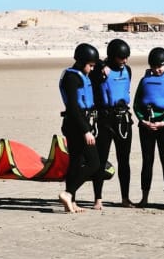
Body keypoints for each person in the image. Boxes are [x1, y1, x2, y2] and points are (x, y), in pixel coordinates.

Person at [133, 47, 164, 207]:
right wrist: (142, 120)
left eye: (160, 66)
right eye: (154, 66)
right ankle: (144, 198)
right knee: (147, 161)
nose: (157, 69)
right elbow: (136, 104)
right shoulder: (144, 80)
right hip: (146, 123)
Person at [89, 38, 134, 209]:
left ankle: (125, 198)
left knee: (124, 161)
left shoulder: (127, 70)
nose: (125, 61)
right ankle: (98, 199)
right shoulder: (99, 71)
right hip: (105, 119)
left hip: (123, 120)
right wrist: (101, 67)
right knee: (101, 160)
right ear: (112, 56)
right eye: (121, 58)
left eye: (126, 57)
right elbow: (92, 66)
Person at [58, 43, 101, 213]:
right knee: (94, 163)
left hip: (79, 123)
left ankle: (72, 202)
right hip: (76, 125)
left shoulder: (78, 73)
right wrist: (86, 130)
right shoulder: (72, 78)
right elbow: (74, 108)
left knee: (75, 162)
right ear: (82, 62)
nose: (92, 69)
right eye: (90, 65)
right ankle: (68, 193)